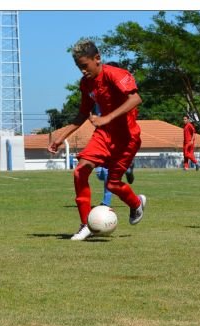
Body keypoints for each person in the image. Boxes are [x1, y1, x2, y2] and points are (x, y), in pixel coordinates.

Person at [48, 40, 146, 240]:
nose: (82, 71)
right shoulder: (86, 84)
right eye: (78, 67)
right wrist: (61, 137)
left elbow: (135, 99)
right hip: (103, 135)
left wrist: (107, 117)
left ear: (97, 59)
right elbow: (83, 113)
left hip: (126, 138)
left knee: (113, 185)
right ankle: (85, 224)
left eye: (84, 66)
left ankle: (136, 203)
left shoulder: (115, 75)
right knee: (80, 171)